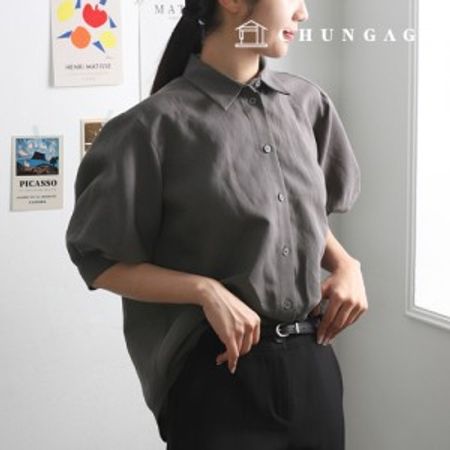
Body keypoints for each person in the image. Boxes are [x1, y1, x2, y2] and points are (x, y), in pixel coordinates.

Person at [65, 0, 368, 448]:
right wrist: (204, 290)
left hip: (313, 364)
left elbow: (298, 213)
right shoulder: (150, 128)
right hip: (217, 372)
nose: (303, 12)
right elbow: (98, 259)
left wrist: (345, 264)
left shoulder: (308, 105)